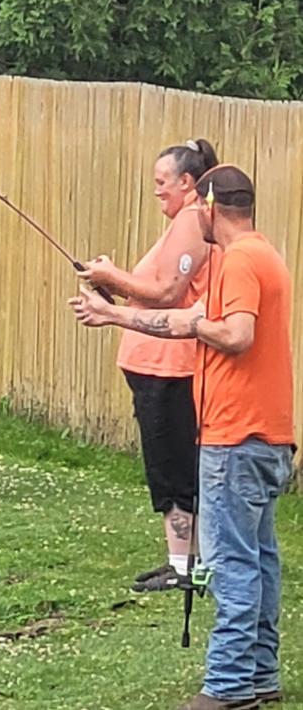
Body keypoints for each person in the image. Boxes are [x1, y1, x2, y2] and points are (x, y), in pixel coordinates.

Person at [69, 164, 295, 710]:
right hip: (269, 435)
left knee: (233, 565)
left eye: (200, 209)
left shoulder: (238, 261)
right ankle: (262, 675)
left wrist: (196, 325)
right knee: (260, 559)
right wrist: (112, 314)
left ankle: (228, 686)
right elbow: (184, 319)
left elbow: (233, 336)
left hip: (234, 438)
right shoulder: (263, 254)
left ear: (213, 208)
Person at [78, 139, 219, 592]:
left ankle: (185, 567)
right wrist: (112, 290)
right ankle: (183, 562)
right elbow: (151, 290)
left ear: (186, 182)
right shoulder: (184, 220)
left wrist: (109, 275)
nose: (156, 191)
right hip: (153, 365)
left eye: (162, 183)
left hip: (170, 368)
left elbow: (166, 293)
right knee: (168, 463)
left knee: (173, 466)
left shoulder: (193, 221)